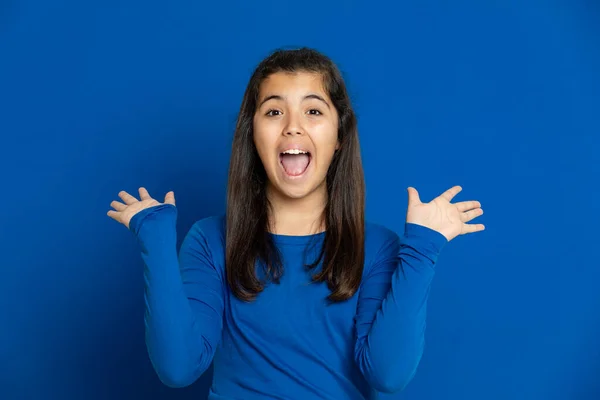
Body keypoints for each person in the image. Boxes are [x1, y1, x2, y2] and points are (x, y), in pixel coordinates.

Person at [107, 47, 485, 400]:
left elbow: (388, 374)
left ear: (339, 136)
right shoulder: (210, 241)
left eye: (314, 111)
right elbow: (179, 368)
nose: (292, 127)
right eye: (274, 111)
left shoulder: (378, 247)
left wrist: (421, 250)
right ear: (252, 133)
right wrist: (155, 240)